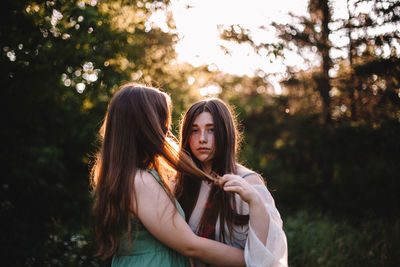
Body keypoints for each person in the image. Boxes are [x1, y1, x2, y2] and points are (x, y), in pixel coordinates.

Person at [90, 84, 246, 266]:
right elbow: (191, 246)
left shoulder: (127, 176)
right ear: (147, 125)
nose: (168, 128)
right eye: (163, 119)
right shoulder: (140, 181)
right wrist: (254, 260)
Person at [176, 98, 288, 267]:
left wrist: (254, 200)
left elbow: (268, 256)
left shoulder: (247, 181)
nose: (202, 139)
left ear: (225, 133)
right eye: (194, 130)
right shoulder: (180, 182)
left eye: (211, 130)